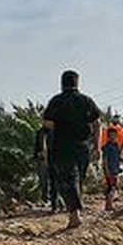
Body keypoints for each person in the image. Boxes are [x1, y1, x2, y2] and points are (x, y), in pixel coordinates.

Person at [43, 70, 101, 229]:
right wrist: (97, 146)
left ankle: (74, 215)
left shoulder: (56, 101)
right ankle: (75, 212)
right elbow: (97, 124)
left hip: (61, 147)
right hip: (82, 147)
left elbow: (48, 125)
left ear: (62, 84)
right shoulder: (86, 101)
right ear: (77, 83)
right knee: (78, 179)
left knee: (66, 180)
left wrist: (46, 145)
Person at [33, 125, 58, 211]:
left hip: (52, 159)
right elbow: (39, 146)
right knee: (44, 180)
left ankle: (54, 202)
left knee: (52, 180)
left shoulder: (57, 131)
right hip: (43, 159)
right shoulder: (41, 132)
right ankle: (47, 200)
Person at [100, 124, 123, 212]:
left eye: (114, 135)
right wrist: (106, 170)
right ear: (108, 136)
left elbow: (118, 157)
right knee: (112, 187)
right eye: (111, 135)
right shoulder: (106, 147)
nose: (113, 137)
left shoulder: (117, 146)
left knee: (113, 187)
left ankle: (109, 204)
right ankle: (108, 205)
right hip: (109, 170)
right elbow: (105, 160)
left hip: (115, 170)